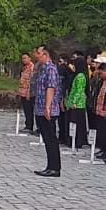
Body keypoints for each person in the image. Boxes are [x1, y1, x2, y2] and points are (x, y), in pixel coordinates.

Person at [32, 46, 63, 177]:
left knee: (51, 139)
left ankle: (55, 167)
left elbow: (50, 88)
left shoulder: (50, 69)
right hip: (39, 108)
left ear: (45, 55)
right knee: (46, 138)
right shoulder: (42, 68)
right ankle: (50, 165)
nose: (36, 56)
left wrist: (47, 107)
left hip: (47, 109)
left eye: (38, 53)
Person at [66, 58, 90, 151]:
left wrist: (74, 102)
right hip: (74, 102)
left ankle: (78, 141)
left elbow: (79, 91)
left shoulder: (80, 76)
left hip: (78, 104)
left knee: (77, 123)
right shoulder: (78, 75)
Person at [17, 53, 36, 135]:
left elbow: (31, 81)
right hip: (23, 92)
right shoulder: (24, 68)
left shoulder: (32, 67)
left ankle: (30, 126)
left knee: (29, 109)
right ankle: (27, 125)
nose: (23, 60)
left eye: (25, 58)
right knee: (26, 109)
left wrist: (29, 92)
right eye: (22, 58)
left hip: (28, 92)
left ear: (29, 58)